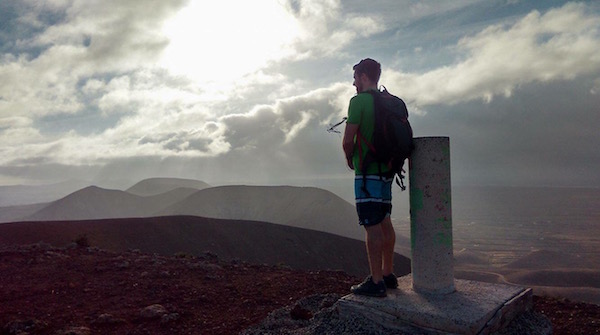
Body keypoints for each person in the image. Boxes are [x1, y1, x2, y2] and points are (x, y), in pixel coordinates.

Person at [342, 58, 398, 297]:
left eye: (355, 78)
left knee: (371, 225)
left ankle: (376, 282)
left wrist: (349, 157)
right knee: (385, 219)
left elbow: (348, 140)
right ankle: (388, 273)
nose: (354, 83)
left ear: (364, 76)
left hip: (367, 173)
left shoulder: (358, 102)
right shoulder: (391, 102)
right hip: (387, 171)